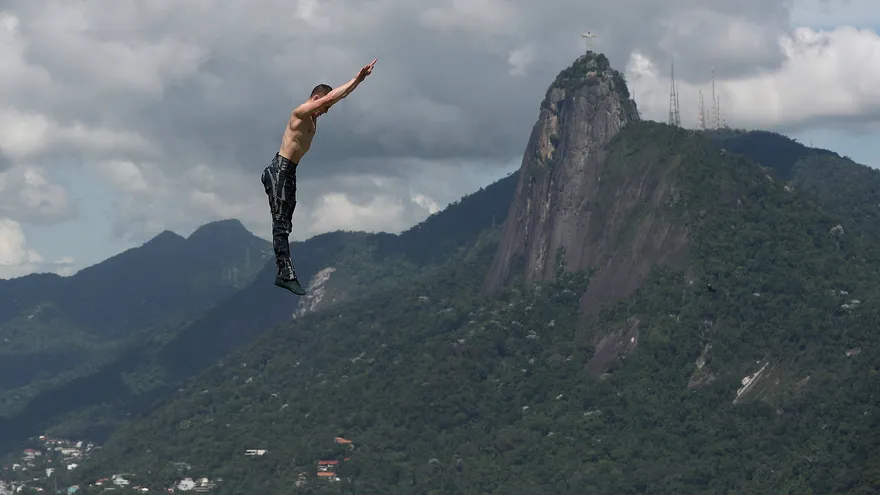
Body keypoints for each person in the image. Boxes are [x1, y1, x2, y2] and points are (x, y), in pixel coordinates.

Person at [261, 58, 377, 295]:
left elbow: (332, 99)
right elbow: (333, 97)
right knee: (280, 224)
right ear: (316, 99)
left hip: (289, 171)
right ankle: (285, 275)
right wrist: (358, 79)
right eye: (324, 107)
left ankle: (285, 272)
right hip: (280, 169)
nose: (325, 112)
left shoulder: (312, 120)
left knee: (287, 222)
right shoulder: (301, 112)